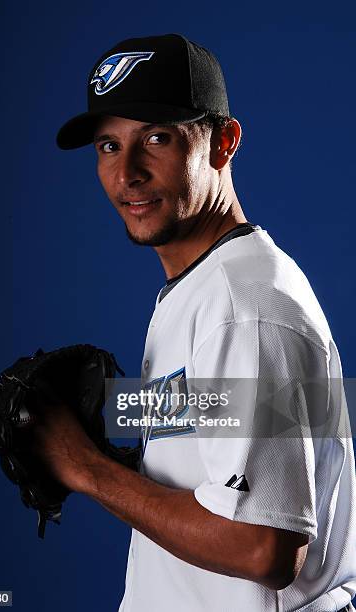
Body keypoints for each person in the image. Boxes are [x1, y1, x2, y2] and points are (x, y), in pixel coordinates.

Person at [34, 34, 356, 611]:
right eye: (109, 145)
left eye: (156, 138)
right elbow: (216, 425)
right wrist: (116, 422)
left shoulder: (246, 304)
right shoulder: (201, 286)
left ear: (223, 143)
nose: (127, 172)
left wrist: (85, 468)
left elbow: (266, 548)